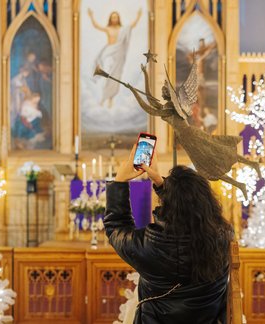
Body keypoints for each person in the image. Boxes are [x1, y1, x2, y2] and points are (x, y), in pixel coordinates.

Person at [104, 145, 233, 323]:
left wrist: (119, 181)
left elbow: (116, 227)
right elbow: (191, 209)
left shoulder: (149, 247)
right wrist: (161, 184)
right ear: (207, 201)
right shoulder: (223, 237)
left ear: (169, 205)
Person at [88, 8, 142, 108]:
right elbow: (96, 26)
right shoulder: (108, 28)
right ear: (110, 19)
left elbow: (131, 26)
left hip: (118, 54)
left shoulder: (122, 29)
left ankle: (110, 98)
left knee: (115, 76)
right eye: (113, 17)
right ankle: (103, 97)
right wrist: (91, 16)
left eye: (116, 17)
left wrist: (138, 16)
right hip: (109, 51)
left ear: (118, 18)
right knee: (106, 71)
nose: (114, 19)